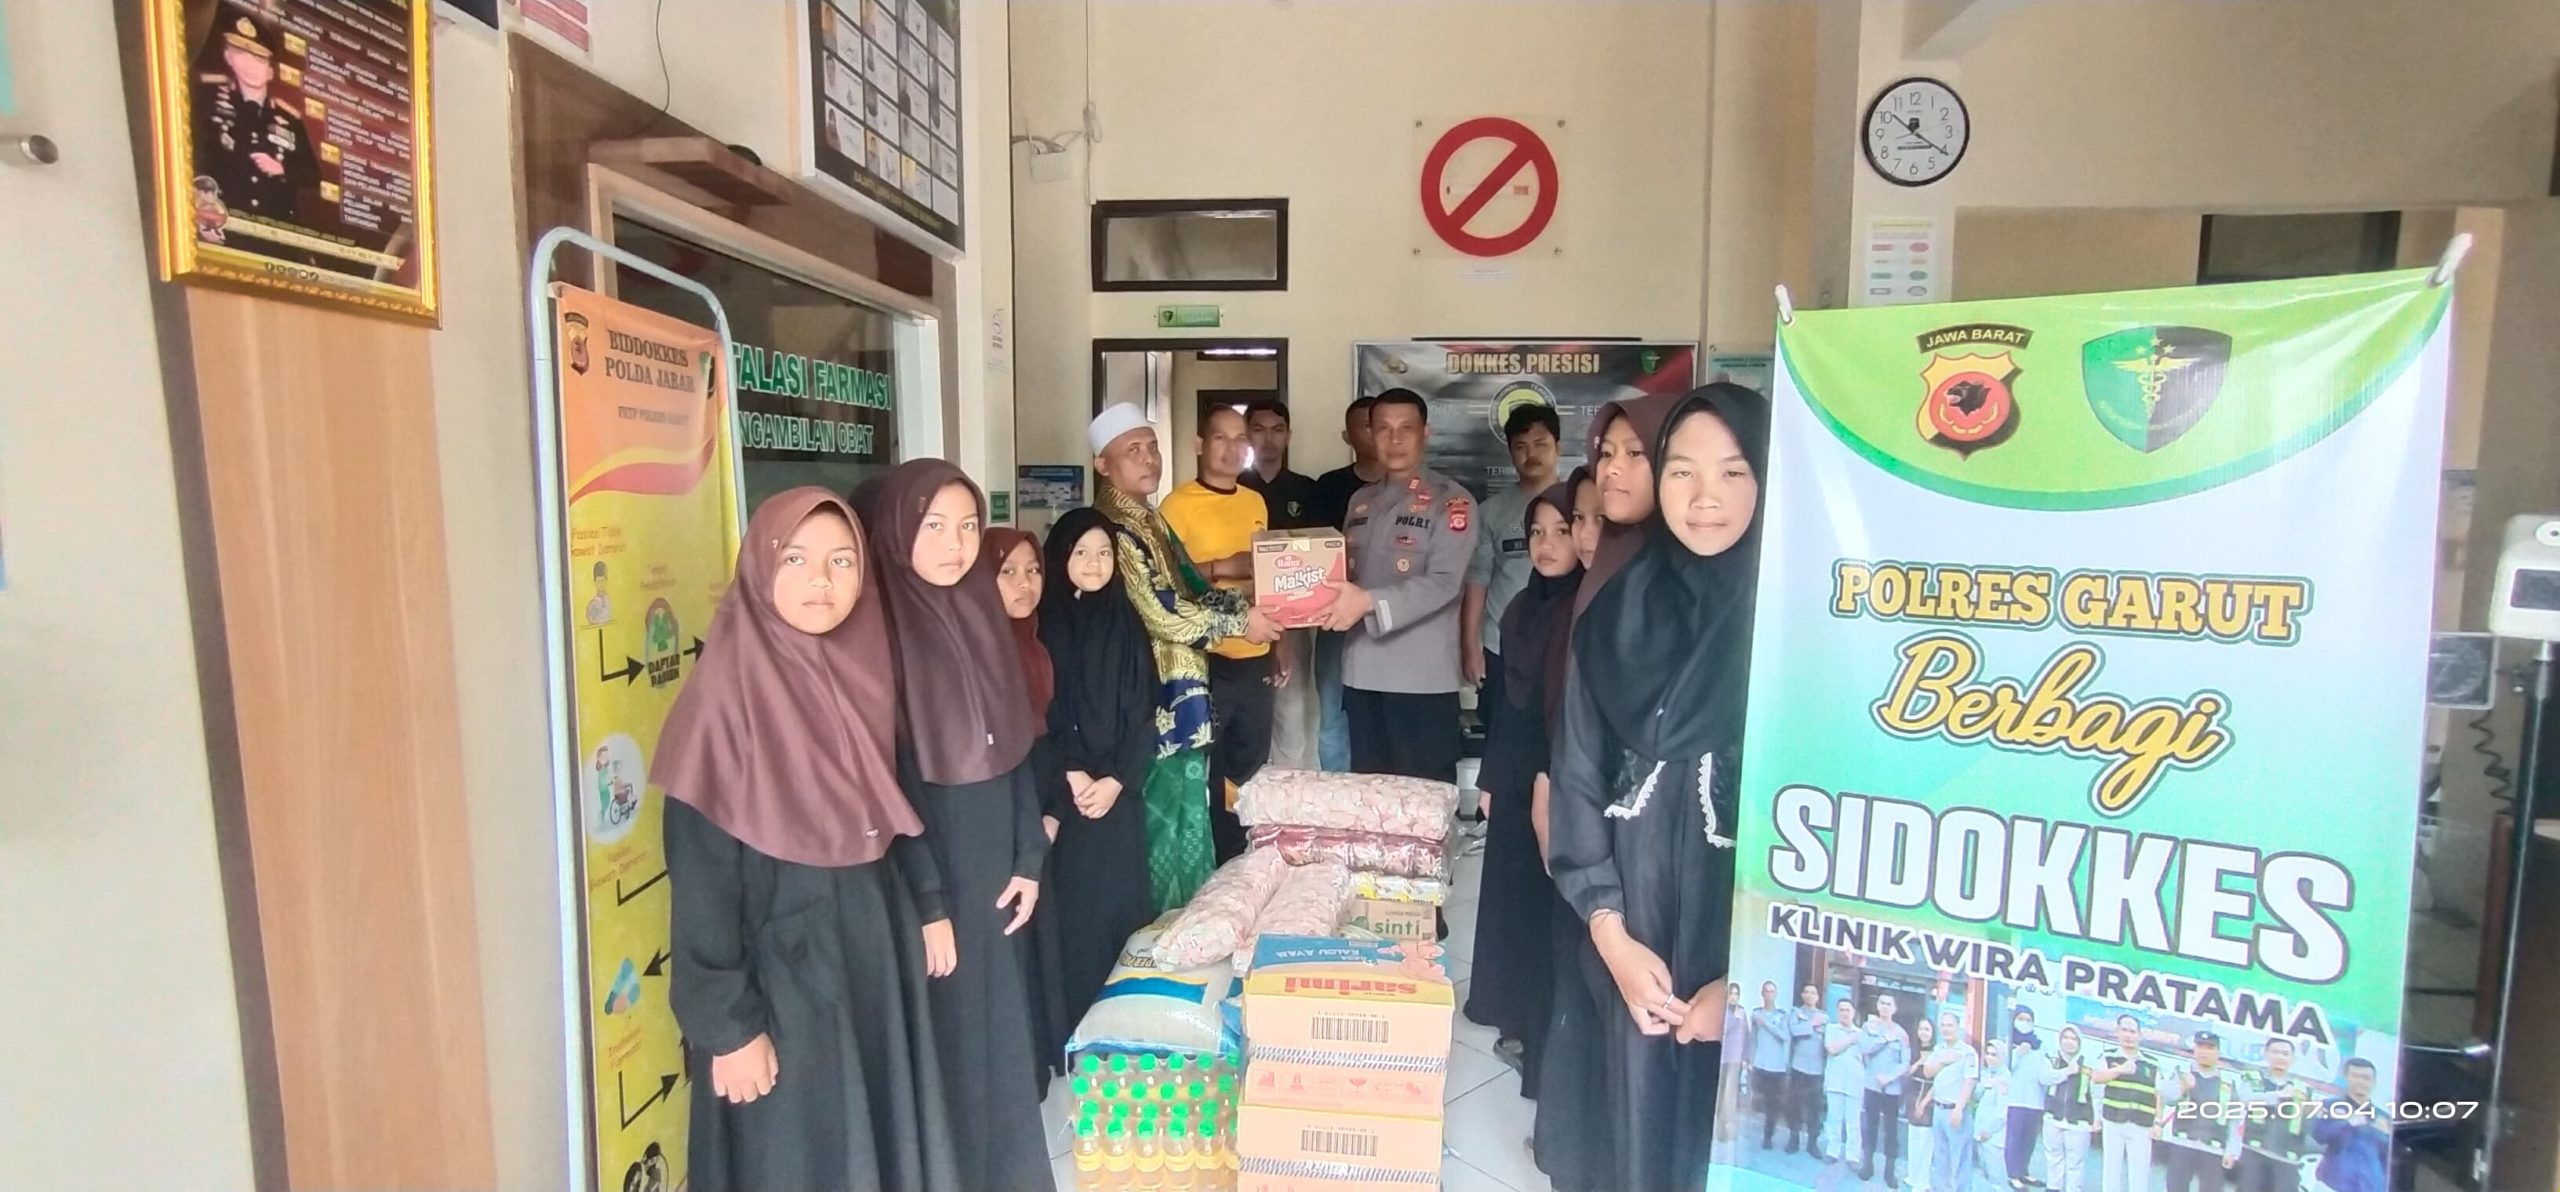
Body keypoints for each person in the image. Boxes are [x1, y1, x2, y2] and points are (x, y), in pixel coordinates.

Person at [657, 487, 959, 1191]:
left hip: (869, 956)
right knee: (801, 1156)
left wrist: (927, 903)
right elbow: (700, 886)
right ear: (761, 568)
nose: (821, 581)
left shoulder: (859, 676)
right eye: (795, 559)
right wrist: (729, 1028)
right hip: (783, 983)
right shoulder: (720, 705)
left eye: (842, 561)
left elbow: (894, 808)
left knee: (876, 1139)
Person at [1546, 384, 1769, 1191]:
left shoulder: (1801, 624)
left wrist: (1748, 984)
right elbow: (1577, 775)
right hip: (1631, 929)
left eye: (1733, 472)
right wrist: (1611, 939)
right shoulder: (1616, 614)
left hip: (1741, 937)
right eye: (1682, 472)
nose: (1705, 498)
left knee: (1734, 1133)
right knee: (1632, 1126)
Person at [849, 461, 1052, 1191]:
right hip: (934, 868)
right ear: (897, 530)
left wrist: (1029, 858)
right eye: (934, 525)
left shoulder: (979, 612)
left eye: (968, 526)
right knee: (952, 1041)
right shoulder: (875, 634)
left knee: (999, 1034)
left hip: (996, 863)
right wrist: (929, 903)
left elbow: (1016, 746)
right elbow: (889, 782)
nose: (956, 544)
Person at [1087, 404, 1282, 909]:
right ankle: (1161, 924)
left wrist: (1250, 613)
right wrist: (1241, 622)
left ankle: (1192, 918)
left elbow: (1193, 589)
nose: (1148, 458)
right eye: (1132, 450)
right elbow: (1163, 613)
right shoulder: (1115, 529)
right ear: (1102, 465)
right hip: (1153, 698)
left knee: (1190, 814)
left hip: (1184, 694)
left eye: (1152, 447)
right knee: (1161, 819)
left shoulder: (1150, 520)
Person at [1461, 477, 1581, 1091]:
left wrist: (1544, 781)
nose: (1546, 544)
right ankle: (1505, 1009)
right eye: (1536, 532)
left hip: (1558, 771)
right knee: (1507, 891)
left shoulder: (1584, 607)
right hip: (1515, 763)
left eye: (1562, 530)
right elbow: (1508, 705)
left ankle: (1536, 1026)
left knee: (1542, 899)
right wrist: (1492, 776)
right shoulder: (1521, 609)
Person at [1033, 509, 1161, 1035]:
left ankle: (1123, 1028)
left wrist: (1116, 779)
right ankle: (1075, 1029)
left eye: (1104, 552)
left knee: (1120, 910)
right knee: (1075, 917)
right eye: (1082, 552)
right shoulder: (1041, 625)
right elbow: (1040, 712)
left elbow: (1145, 711)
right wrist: (1070, 772)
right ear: (1061, 557)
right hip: (1067, 796)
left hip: (1117, 795)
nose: (1094, 563)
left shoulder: (1126, 622)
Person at [1319, 389, 1476, 789]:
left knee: (1424, 798)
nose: (1395, 439)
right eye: (1383, 429)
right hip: (1362, 672)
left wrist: (1367, 601)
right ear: (1369, 435)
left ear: (1426, 433)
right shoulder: (1360, 500)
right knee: (1372, 797)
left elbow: (1445, 582)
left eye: (1406, 428)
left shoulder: (1453, 502)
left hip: (1421, 678)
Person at [1159, 405, 1282, 862]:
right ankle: (1202, 860)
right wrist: (1223, 566)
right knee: (1203, 764)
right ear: (1199, 444)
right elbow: (1168, 584)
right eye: (1220, 438)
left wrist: (1281, 643)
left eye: (1240, 439)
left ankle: (1239, 855)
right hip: (1204, 658)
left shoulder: (1254, 502)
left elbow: (1270, 578)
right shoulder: (1176, 506)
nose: (1233, 448)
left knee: (1248, 763)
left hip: (1256, 653)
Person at [981, 527, 1071, 1095]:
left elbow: (1050, 735)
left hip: (1038, 791)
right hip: (1001, 806)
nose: (1024, 584)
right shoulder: (980, 655)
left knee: (1040, 932)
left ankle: (1042, 1053)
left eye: (1033, 570)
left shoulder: (1034, 645)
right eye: (1008, 572)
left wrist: (1054, 808)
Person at [1242, 398, 1329, 772]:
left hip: (1294, 618)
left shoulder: (1306, 490)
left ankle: (1288, 788)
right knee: (1245, 708)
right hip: (1242, 615)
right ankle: (1244, 791)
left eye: (1277, 430)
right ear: (1247, 435)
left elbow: (1318, 555)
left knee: (1291, 706)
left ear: (1288, 435)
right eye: (1259, 430)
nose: (1268, 439)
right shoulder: (1234, 488)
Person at [1463, 403, 1563, 698]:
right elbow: (1477, 580)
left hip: (1564, 646)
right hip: (1501, 647)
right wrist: (1470, 647)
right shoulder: (1490, 512)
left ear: (1558, 446)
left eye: (1540, 444)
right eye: (1521, 446)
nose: (1531, 454)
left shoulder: (1581, 505)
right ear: (1510, 453)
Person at [1309, 395, 1382, 772]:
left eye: (1378, 425)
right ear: (1347, 435)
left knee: (1381, 709)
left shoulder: (1413, 490)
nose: (1373, 433)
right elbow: (1312, 552)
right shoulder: (1329, 486)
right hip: (1334, 616)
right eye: (1364, 426)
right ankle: (1337, 794)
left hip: (1386, 616)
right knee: (1333, 709)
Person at [190, 14, 317, 231]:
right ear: (228, 57)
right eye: (241, 54)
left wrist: (281, 169)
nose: (250, 64)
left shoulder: (288, 120)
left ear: (270, 71)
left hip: (276, 230)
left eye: (258, 59)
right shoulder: (206, 99)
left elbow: (312, 174)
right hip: (222, 226)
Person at [2161, 1031, 2243, 1192]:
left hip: (2213, 1149)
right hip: (2182, 1144)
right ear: (2194, 1049)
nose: (2204, 1052)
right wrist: (2183, 1087)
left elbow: (2234, 1119)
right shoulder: (2182, 1074)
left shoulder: (2227, 1084)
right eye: (2200, 1046)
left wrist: (2232, 1151)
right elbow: (2167, 1099)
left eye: (2210, 1047)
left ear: (2218, 1052)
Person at [2233, 1037, 2316, 1192]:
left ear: (2293, 1058)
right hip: (2254, 1153)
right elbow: (2244, 1100)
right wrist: (2277, 1096)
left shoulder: (2303, 1089)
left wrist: (2312, 1114)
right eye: (2275, 1052)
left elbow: (2308, 1125)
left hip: (2286, 1159)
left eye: (2285, 1054)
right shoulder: (2254, 1079)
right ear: (2265, 1053)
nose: (2280, 1057)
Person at [2094, 1015, 2163, 1192]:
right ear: (2117, 1032)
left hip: (2142, 1125)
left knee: (2139, 1173)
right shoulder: (2108, 1057)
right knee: (2111, 1170)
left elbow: (2158, 1094)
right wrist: (2119, 1069)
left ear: (2140, 1035)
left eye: (2132, 1031)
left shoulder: (2152, 1063)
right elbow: (2096, 1078)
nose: (2128, 1035)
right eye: (2124, 1030)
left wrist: (2158, 1123)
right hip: (2113, 1121)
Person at [1921, 1012, 1980, 1192]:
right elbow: (1927, 1073)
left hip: (1955, 1110)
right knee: (1940, 1157)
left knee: (1961, 1159)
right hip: (1938, 1110)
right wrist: (1942, 1061)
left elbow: (1970, 1082)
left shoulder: (1967, 1052)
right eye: (1943, 1025)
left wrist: (1959, 1109)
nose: (1946, 1029)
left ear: (1958, 1028)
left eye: (1950, 1025)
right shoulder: (1938, 1049)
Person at [2037, 1024, 2100, 1192]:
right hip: (2053, 1117)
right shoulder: (2051, 1059)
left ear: (2079, 1042)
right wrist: (2066, 1071)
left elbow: (2096, 1093)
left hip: (2079, 1122)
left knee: (2076, 1163)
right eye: (2065, 1038)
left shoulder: (2088, 1064)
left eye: (2073, 1039)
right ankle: (2053, 1188)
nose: (2069, 1042)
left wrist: (2097, 1120)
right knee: (2053, 1158)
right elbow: (2044, 1078)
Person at [1860, 993, 1915, 1185]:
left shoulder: (1902, 1034)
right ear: (1877, 1005)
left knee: (1891, 1131)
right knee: (1870, 1126)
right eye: (1882, 1003)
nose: (1885, 1007)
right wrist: (1884, 1038)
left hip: (1892, 1089)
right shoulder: (1869, 1027)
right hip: (1872, 1086)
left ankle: (1889, 1172)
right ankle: (1867, 1165)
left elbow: (1905, 1063)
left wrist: (1889, 1078)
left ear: (1895, 1009)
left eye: (1889, 1004)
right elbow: (1865, 1049)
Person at [2309, 1058, 2385, 1192]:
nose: (2361, 1082)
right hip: (2333, 1183)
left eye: (2366, 1078)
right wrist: (2348, 1123)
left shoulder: (2382, 1117)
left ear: (2374, 1082)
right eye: (2355, 1076)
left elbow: (2389, 1156)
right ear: (2346, 1077)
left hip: (2370, 1185)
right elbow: (2318, 1135)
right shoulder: (2329, 1105)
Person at [2004, 1009, 2048, 1190]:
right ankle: (2012, 1174)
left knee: (2029, 1139)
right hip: (2015, 1099)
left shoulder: (2039, 1044)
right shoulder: (2009, 1040)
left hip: (2035, 1100)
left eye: (2028, 1019)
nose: (2024, 1022)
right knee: (2014, 1138)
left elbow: (2044, 1071)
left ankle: (2024, 1171)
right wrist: (2018, 1053)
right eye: (2021, 1018)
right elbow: (2005, 1068)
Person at [1750, 982, 1796, 1151]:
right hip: (1760, 1064)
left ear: (1775, 994)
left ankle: (1768, 1136)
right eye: (1766, 991)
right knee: (1758, 1100)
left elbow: (1784, 1036)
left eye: (1772, 991)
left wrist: (1767, 1024)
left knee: (1774, 1104)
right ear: (1762, 994)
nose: (1769, 994)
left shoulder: (1782, 1015)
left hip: (1776, 1067)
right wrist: (1750, 1059)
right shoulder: (1756, 1013)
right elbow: (1753, 1038)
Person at [1822, 998, 1867, 1167]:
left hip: (1855, 1083)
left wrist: (1855, 1037)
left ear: (1854, 1012)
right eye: (1841, 1010)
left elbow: (1867, 1057)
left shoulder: (1862, 1033)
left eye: (1848, 1010)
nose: (1844, 1013)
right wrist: (1850, 1039)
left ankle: (1853, 1156)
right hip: (1835, 1081)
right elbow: (1832, 1049)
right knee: (1833, 1119)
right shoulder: (1831, 1029)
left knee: (1853, 1122)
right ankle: (1832, 1151)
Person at [1788, 984, 1831, 1158]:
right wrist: (1812, 1024)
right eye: (1806, 992)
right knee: (1795, 1106)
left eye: (1813, 992)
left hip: (1817, 1070)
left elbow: (1827, 1041)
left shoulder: (1825, 1017)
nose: (1809, 995)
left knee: (1815, 1109)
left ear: (1818, 997)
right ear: (1802, 995)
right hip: (1798, 1066)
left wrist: (1809, 1026)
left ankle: (1812, 1143)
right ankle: (1793, 1139)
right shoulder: (1795, 1013)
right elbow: (1794, 1031)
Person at [1906, 1015, 1940, 1191]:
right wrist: (1920, 1059)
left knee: (1926, 1141)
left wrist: (1925, 1103)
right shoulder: (1912, 1049)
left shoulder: (1938, 1051)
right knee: (1913, 1137)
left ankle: (1923, 1181)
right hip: (1912, 1094)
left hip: (1929, 1096)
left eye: (1927, 1029)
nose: (1924, 1033)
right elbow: (1907, 1072)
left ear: (1933, 1032)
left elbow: (1936, 1078)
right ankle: (1913, 1176)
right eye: (1921, 1029)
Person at [1976, 1040, 2012, 1192]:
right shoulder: (1986, 1074)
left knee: (1996, 1178)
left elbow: (2003, 1111)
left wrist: (1989, 1130)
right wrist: (1984, 1084)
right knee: (1982, 1175)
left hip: (1993, 1135)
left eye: (1994, 1055)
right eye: (1988, 1054)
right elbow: (1976, 1096)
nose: (1990, 1058)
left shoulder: (2006, 1079)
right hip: (1979, 1131)